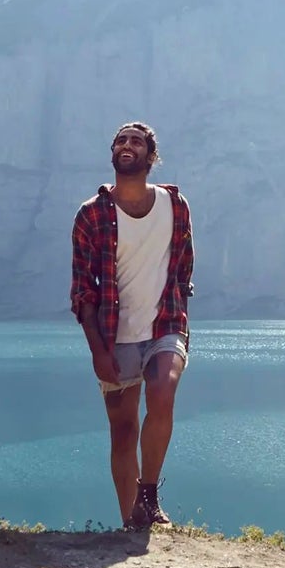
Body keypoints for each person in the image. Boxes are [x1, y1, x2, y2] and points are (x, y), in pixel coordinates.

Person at [71, 122, 194, 529]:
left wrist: (181, 320)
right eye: (120, 140)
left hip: (165, 325)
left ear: (150, 156)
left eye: (136, 141)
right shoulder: (90, 215)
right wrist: (97, 350)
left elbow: (183, 269)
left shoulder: (175, 208)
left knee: (162, 393)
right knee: (122, 432)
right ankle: (131, 523)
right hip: (114, 336)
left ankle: (150, 496)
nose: (127, 145)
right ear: (112, 153)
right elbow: (83, 291)